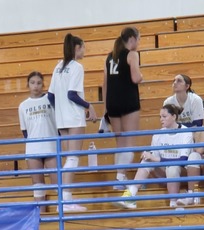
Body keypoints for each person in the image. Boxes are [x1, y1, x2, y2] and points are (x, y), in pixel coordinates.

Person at [48, 33, 97, 214]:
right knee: (73, 158)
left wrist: (60, 110)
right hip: (74, 118)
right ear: (77, 48)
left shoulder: (58, 67)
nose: (85, 50)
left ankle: (65, 198)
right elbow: (72, 94)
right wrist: (89, 105)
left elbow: (51, 96)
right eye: (84, 47)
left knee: (68, 158)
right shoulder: (77, 67)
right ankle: (66, 200)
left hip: (61, 119)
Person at [117, 104, 192, 211]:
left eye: (164, 116)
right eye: (160, 117)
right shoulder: (158, 134)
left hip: (182, 174)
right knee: (146, 161)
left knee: (172, 167)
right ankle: (131, 195)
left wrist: (156, 159)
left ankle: (173, 203)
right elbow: (152, 158)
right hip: (163, 173)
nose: (161, 119)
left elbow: (183, 160)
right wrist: (149, 157)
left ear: (174, 116)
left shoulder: (186, 132)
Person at [103, 27, 143, 183]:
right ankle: (121, 178)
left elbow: (104, 83)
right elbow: (135, 78)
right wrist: (142, 76)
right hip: (128, 100)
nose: (139, 42)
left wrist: (106, 108)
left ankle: (119, 177)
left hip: (112, 103)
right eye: (139, 39)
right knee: (129, 141)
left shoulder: (109, 57)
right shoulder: (132, 54)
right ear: (132, 38)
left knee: (119, 142)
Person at [18, 71, 57, 211]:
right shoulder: (23, 106)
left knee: (57, 181)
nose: (36, 86)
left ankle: (62, 212)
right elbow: (25, 131)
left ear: (43, 85)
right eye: (33, 83)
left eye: (39, 83)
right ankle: (41, 216)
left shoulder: (50, 100)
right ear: (28, 85)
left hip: (51, 146)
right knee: (37, 183)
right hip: (33, 148)